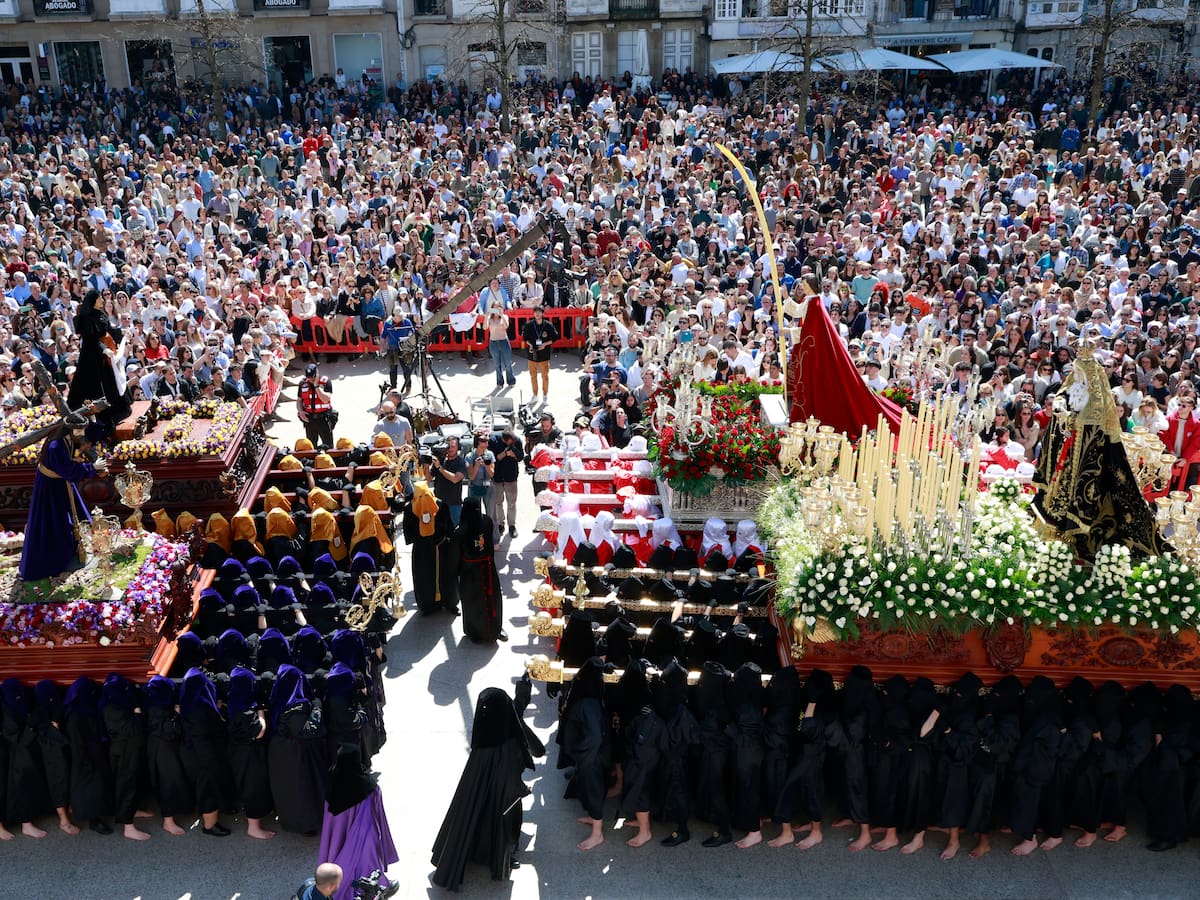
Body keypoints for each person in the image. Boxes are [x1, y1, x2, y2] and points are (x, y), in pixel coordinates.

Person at [432, 679, 544, 891]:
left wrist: (521, 698)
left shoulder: (483, 740)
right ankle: (500, 858)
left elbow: (512, 712)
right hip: (503, 798)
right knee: (499, 826)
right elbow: (519, 726)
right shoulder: (508, 743)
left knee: (473, 817)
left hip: (484, 789)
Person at [20, 412, 108, 584]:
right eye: (79, 430)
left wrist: (93, 419)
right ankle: (58, 559)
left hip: (62, 484)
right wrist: (93, 467)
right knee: (56, 522)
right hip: (50, 488)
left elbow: (90, 436)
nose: (82, 434)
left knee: (74, 517)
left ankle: (75, 550)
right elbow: (69, 471)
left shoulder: (72, 437)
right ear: (70, 429)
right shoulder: (55, 447)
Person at [318, 745, 399, 900]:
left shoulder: (332, 779)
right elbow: (377, 813)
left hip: (337, 834)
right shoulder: (368, 784)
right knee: (367, 857)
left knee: (338, 853)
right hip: (363, 831)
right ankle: (372, 888)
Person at [66, 287, 130, 432]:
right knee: (98, 386)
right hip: (93, 356)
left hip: (106, 351)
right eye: (100, 298)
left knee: (112, 380)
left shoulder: (100, 314)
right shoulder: (86, 318)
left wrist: (122, 332)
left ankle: (119, 410)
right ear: (94, 301)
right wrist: (103, 349)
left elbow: (108, 330)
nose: (102, 300)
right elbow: (91, 340)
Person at [457, 497, 507, 643]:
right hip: (470, 572)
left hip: (486, 567)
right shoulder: (462, 530)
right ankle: (475, 632)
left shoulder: (486, 522)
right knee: (473, 603)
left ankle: (496, 628)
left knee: (494, 599)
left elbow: (489, 545)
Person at [487, 429, 524, 540]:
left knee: (512, 503)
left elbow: (521, 456)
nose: (511, 444)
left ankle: (512, 526)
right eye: (509, 442)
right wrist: (505, 454)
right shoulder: (493, 441)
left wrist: (514, 456)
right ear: (504, 439)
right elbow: (492, 459)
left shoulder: (516, 440)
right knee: (498, 503)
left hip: (511, 477)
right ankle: (500, 524)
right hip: (497, 477)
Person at [521, 306, 559, 404]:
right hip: (532, 353)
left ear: (542, 313)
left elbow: (555, 337)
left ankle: (545, 395)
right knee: (533, 376)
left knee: (545, 376)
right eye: (535, 312)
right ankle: (535, 395)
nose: (537, 314)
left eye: (539, 312)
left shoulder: (548, 325)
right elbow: (524, 337)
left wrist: (545, 344)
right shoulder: (529, 324)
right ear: (533, 313)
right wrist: (530, 345)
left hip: (544, 353)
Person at [431, 436, 468, 525]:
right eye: (448, 447)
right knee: (439, 528)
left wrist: (440, 467)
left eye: (453, 447)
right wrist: (426, 463)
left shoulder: (461, 462)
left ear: (457, 448)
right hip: (439, 502)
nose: (450, 449)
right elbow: (429, 478)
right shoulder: (440, 460)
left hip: (453, 504)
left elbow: (455, 479)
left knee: (456, 529)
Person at [298, 362, 335, 449]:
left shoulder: (326, 382)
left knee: (328, 445)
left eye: (313, 376)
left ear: (317, 373)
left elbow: (325, 399)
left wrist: (316, 386)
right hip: (309, 419)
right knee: (310, 445)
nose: (311, 379)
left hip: (323, 418)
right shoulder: (303, 384)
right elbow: (299, 400)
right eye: (309, 377)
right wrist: (300, 411)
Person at [380, 308, 414, 393]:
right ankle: (393, 386)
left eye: (401, 315)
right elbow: (383, 337)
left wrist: (410, 338)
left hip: (405, 348)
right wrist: (383, 349)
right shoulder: (388, 324)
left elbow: (412, 333)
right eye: (399, 316)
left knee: (406, 368)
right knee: (392, 369)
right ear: (394, 316)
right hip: (392, 347)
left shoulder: (407, 322)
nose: (401, 317)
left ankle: (408, 386)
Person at [486, 303, 516, 388]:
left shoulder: (504, 316)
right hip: (493, 342)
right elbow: (485, 327)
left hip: (504, 341)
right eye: (494, 308)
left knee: (508, 363)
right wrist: (486, 316)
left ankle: (511, 381)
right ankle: (499, 382)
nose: (496, 310)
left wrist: (501, 314)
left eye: (497, 308)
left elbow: (506, 326)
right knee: (496, 364)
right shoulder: (490, 318)